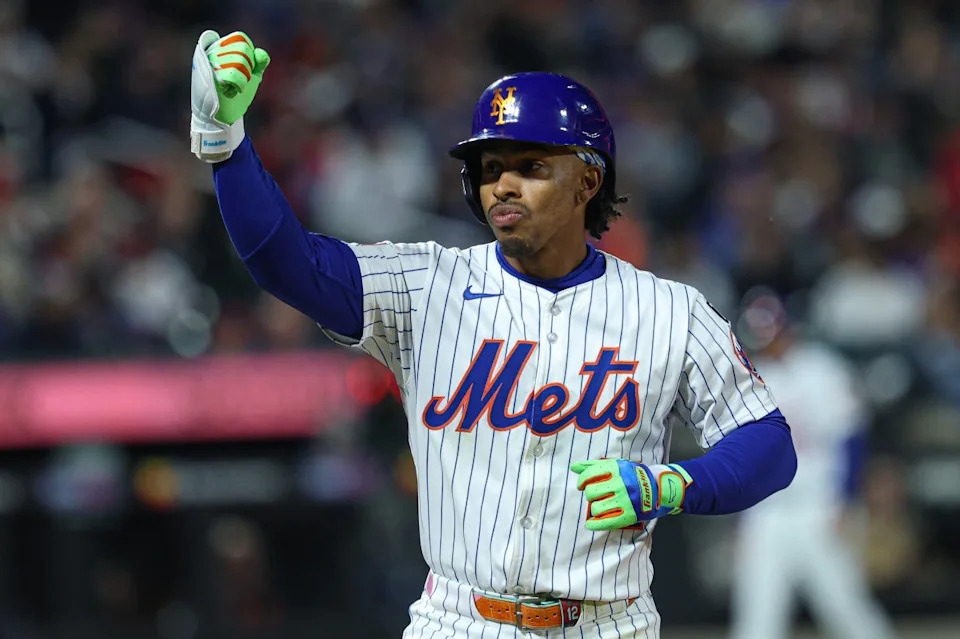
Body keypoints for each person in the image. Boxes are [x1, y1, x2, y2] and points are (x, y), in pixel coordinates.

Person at [190, 30, 797, 638]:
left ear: (588, 183)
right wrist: (226, 143)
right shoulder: (427, 284)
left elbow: (768, 443)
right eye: (490, 167)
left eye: (530, 166)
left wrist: (671, 484)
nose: (502, 184)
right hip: (458, 619)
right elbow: (284, 262)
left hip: (607, 625)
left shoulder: (669, 310)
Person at [728, 291, 896, 639]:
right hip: (766, 514)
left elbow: (851, 438)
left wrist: (845, 500)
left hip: (818, 507)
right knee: (757, 619)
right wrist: (742, 518)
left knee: (846, 609)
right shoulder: (747, 379)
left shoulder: (822, 369)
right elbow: (741, 457)